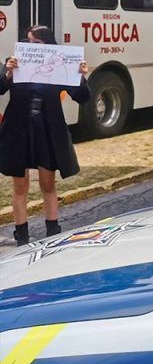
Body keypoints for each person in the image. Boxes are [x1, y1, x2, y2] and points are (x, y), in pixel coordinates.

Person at [0, 25, 90, 246]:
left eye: (36, 43)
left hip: (47, 128)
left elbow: (82, 97)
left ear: (47, 45)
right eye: (28, 41)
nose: (31, 46)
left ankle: (53, 231)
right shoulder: (15, 62)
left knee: (47, 183)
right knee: (20, 184)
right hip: (19, 129)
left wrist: (80, 76)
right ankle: (21, 235)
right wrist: (8, 73)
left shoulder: (59, 64)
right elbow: (1, 88)